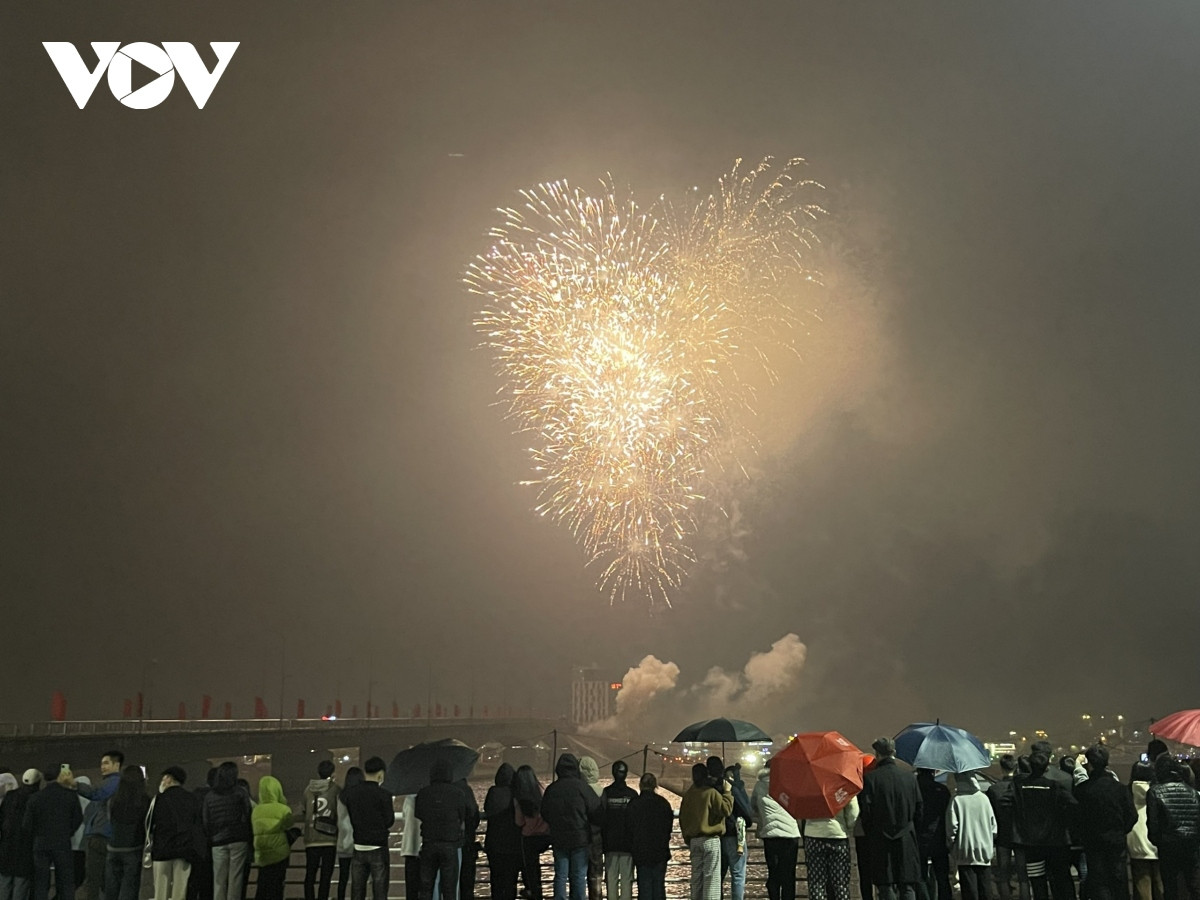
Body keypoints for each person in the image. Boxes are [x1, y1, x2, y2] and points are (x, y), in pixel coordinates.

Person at [858, 737, 923, 900]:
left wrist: (872, 832)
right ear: (894, 753)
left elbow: (866, 813)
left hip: (880, 839)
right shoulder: (910, 778)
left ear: (877, 754)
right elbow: (919, 810)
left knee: (886, 885)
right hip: (907, 837)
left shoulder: (871, 779)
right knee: (907, 885)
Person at [1011, 752, 1077, 900]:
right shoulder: (1053, 786)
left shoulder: (1020, 786)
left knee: (1037, 881)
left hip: (1031, 843)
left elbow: (1007, 802)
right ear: (1046, 768)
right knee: (1059, 879)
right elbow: (1073, 804)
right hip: (1054, 841)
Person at [1074, 745, 1136, 900]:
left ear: (1090, 764)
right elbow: (1132, 816)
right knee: (1119, 878)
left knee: (1098, 880)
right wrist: (1121, 830)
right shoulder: (1120, 789)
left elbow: (1078, 818)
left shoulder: (1083, 790)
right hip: (1116, 839)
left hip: (1093, 841)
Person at [540, 754, 601, 900]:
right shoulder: (582, 787)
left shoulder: (552, 789)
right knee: (579, 874)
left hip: (559, 838)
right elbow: (596, 809)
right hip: (580, 838)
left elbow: (545, 812)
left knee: (561, 874)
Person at [1146, 756, 1200, 900]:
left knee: (1170, 887)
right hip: (1191, 845)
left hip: (1168, 845)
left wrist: (1158, 841)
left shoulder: (1155, 791)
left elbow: (1153, 823)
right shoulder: (1193, 792)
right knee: (1193, 884)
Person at [341, 757, 395, 900]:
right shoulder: (384, 795)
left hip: (358, 846)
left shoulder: (351, 794)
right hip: (378, 847)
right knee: (380, 891)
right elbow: (389, 821)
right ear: (381, 774)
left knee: (357, 891)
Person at [23, 765, 81, 900]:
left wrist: (37, 835)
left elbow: (27, 824)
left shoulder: (35, 798)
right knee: (66, 882)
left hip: (41, 844)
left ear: (43, 778)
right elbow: (78, 818)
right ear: (59, 776)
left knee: (41, 883)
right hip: (62, 842)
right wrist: (68, 832)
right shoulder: (70, 796)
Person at [679, 761, 733, 900]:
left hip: (694, 841)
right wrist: (727, 792)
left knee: (696, 879)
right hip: (710, 840)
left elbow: (683, 818)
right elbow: (725, 810)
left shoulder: (689, 795)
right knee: (711, 880)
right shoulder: (710, 793)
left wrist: (687, 838)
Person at [416, 760, 469, 900]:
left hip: (429, 842)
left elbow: (418, 814)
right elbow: (463, 814)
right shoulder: (457, 793)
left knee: (426, 887)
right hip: (450, 843)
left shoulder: (423, 793)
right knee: (449, 888)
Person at [75, 751, 123, 900]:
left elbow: (96, 793)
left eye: (107, 763)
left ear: (117, 765)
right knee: (101, 879)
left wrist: (74, 784)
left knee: (95, 879)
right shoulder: (110, 783)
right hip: (100, 835)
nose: (102, 767)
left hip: (101, 836)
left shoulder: (113, 782)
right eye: (102, 763)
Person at [202, 762, 252, 900]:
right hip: (238, 839)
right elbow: (247, 815)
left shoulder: (210, 796)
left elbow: (206, 821)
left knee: (219, 880)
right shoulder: (240, 792)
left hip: (217, 841)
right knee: (235, 879)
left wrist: (212, 836)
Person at [751, 761, 800, 900]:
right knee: (789, 875)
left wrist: (762, 817)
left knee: (773, 872)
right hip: (790, 835)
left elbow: (752, 806)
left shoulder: (759, 785)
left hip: (770, 835)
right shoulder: (790, 784)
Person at [149, 767, 200, 900]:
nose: (162, 782)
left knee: (160, 890)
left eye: (163, 778)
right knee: (180, 890)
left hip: (162, 849)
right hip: (184, 850)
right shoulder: (192, 798)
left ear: (169, 779)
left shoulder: (159, 799)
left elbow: (149, 824)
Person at [800, 785, 859, 900]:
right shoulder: (843, 785)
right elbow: (853, 813)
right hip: (838, 836)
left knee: (816, 883)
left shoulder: (808, 785)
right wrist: (846, 826)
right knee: (841, 883)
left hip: (813, 836)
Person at [948, 772, 996, 900]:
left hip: (965, 850)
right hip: (984, 849)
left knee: (969, 890)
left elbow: (952, 828)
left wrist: (951, 845)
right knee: (985, 888)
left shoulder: (956, 800)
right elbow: (993, 827)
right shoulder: (984, 799)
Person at [105, 765, 150, 900]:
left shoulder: (113, 800)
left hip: (113, 848)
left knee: (111, 890)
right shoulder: (145, 801)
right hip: (133, 848)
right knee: (129, 889)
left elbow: (109, 820)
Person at [989, 755, 1029, 900]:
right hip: (1020, 834)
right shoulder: (1021, 787)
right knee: (1023, 874)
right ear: (1015, 767)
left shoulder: (994, 789)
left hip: (1002, 834)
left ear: (1002, 768)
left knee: (1003, 873)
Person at [627, 773, 672, 900]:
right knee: (659, 887)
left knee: (644, 888)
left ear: (640, 785)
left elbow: (629, 828)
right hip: (660, 852)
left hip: (641, 853)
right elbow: (668, 828)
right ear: (655, 786)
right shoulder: (664, 804)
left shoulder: (634, 804)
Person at [304, 761, 342, 900]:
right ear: (332, 772)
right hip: (329, 838)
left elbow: (304, 810)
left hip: (311, 838)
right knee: (325, 877)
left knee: (310, 875)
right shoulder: (335, 789)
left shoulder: (308, 790)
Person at [0, 769, 41, 900]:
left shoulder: (10, 796)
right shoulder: (37, 798)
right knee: (21, 885)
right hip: (25, 850)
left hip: (6, 849)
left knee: (5, 884)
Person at [599, 761, 637, 900]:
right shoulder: (632, 795)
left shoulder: (606, 793)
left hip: (610, 843)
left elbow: (601, 818)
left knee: (611, 880)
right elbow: (635, 822)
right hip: (628, 845)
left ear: (613, 773)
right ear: (626, 774)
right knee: (627, 880)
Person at [483, 765, 522, 900]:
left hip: (494, 844)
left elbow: (487, 809)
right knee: (511, 880)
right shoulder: (516, 793)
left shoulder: (492, 792)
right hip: (513, 844)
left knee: (496, 879)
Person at [512, 766, 549, 900]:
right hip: (545, 836)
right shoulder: (542, 791)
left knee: (531, 867)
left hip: (529, 838)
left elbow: (519, 822)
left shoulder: (520, 798)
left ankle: (533, 891)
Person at [1127, 762, 1163, 900]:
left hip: (1136, 841)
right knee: (1160, 884)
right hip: (1156, 839)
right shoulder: (1157, 791)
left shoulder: (1128, 791)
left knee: (1142, 885)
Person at [915, 769, 952, 900]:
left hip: (918, 838)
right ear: (933, 772)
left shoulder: (914, 789)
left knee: (920, 877)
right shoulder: (942, 790)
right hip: (939, 837)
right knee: (942, 877)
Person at [719, 765, 753, 900]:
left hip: (719, 836)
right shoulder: (734, 789)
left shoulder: (713, 788)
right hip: (734, 836)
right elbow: (747, 810)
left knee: (718, 876)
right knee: (738, 875)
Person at [577, 759, 603, 900]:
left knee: (579, 872)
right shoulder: (601, 792)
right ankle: (597, 896)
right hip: (597, 836)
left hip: (581, 836)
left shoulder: (579, 792)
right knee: (596, 873)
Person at [336, 768, 363, 900]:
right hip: (359, 842)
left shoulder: (341, 796)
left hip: (343, 842)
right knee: (358, 880)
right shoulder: (360, 796)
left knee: (343, 877)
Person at [454, 773, 480, 900]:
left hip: (451, 843)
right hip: (468, 843)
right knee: (467, 882)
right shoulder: (467, 791)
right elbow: (475, 818)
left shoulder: (449, 792)